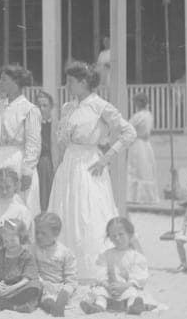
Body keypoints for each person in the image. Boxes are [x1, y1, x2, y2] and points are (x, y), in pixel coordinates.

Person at [48, 60, 135, 279]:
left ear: (84, 82)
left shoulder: (100, 105)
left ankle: (92, 270)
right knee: (66, 211)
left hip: (89, 164)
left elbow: (128, 132)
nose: (67, 85)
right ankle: (62, 268)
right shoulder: (69, 107)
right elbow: (62, 139)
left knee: (88, 214)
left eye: (71, 81)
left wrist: (106, 158)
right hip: (69, 164)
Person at [0, 65, 43, 216]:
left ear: (16, 82)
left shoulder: (29, 109)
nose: (0, 83)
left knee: (20, 203)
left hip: (18, 158)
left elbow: (33, 143)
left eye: (4, 80)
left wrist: (27, 171)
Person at [81, 216, 152, 315]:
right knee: (100, 292)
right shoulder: (106, 255)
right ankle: (99, 307)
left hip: (126, 287)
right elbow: (100, 272)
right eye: (113, 236)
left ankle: (133, 307)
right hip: (110, 288)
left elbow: (138, 276)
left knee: (133, 292)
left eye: (121, 234)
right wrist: (107, 285)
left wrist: (125, 286)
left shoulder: (136, 257)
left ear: (130, 235)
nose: (117, 238)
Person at [0, 219, 42, 313]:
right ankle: (12, 306)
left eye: (12, 240)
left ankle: (3, 304)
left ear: (21, 237)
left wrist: (10, 289)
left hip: (18, 288)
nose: (9, 244)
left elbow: (27, 278)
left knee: (35, 286)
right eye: (6, 241)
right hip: (0, 286)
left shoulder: (27, 256)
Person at [32, 212, 77, 316]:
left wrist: (66, 289)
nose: (39, 236)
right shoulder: (33, 249)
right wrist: (42, 282)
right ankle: (52, 306)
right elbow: (32, 269)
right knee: (44, 295)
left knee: (69, 288)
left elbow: (71, 277)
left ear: (55, 234)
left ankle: (62, 300)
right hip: (42, 284)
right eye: (37, 232)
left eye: (43, 233)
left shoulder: (65, 252)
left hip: (60, 285)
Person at [127, 93, 158, 203]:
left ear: (139, 103)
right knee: (146, 169)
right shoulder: (149, 115)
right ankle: (147, 197)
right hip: (146, 144)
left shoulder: (138, 116)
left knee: (136, 169)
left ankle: (135, 198)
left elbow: (128, 128)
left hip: (137, 144)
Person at [35, 90, 55, 210]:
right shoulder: (32, 124)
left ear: (51, 107)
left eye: (45, 105)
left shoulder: (57, 124)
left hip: (53, 162)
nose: (41, 109)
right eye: (39, 106)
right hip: (39, 162)